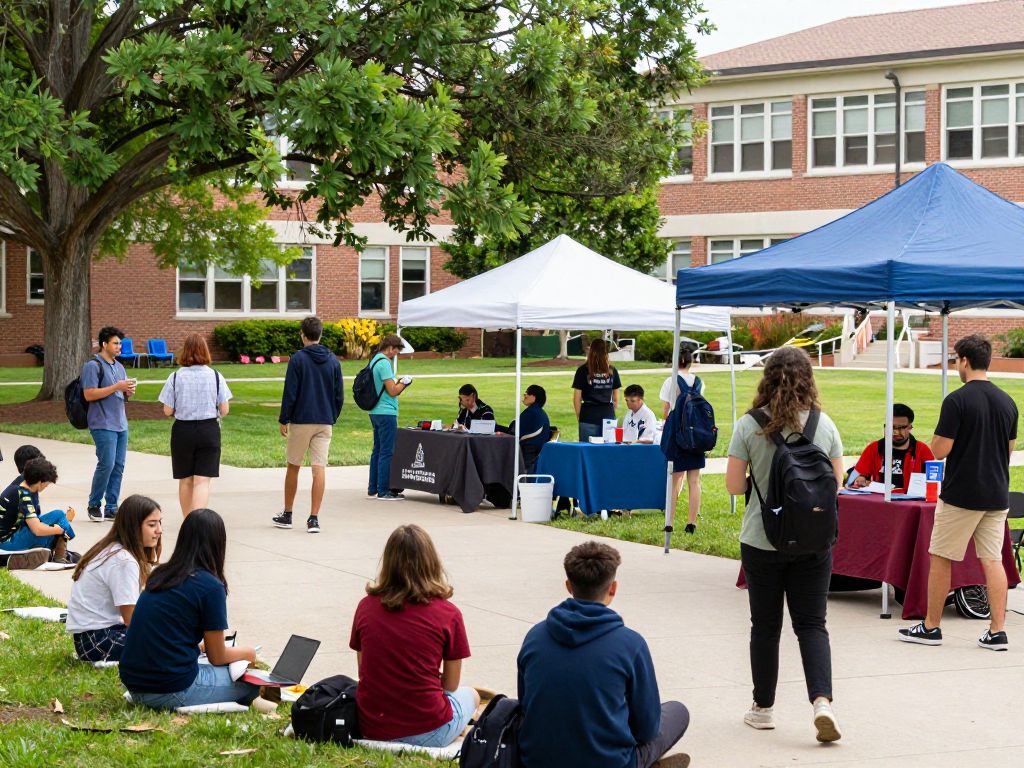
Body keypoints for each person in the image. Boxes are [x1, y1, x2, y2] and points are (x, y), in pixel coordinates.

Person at [724, 346, 844, 743]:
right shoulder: (824, 425)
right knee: (812, 624)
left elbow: (733, 486)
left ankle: (763, 708)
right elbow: (837, 482)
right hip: (813, 540)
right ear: (809, 379)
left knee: (765, 626)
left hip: (762, 539)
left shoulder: (750, 425)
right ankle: (822, 702)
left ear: (768, 378)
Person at [517, 541, 690, 768]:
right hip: (609, 762)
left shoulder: (535, 636)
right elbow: (647, 729)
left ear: (568, 586)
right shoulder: (631, 644)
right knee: (678, 711)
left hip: (536, 761)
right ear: (613, 588)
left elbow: (525, 706)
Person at [899, 335, 1018, 651]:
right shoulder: (1008, 402)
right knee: (993, 560)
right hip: (997, 494)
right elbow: (1009, 449)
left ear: (964, 360)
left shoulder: (956, 401)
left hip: (962, 494)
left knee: (941, 556)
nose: (955, 365)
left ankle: (931, 626)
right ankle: (997, 631)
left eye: (955, 359)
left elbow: (939, 450)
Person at [349, 524, 478, 747]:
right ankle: (458, 727)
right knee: (472, 695)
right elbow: (451, 685)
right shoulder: (449, 614)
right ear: (432, 562)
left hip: (372, 725)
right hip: (429, 730)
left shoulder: (365, 606)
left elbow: (364, 671)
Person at [119, 508, 261, 710]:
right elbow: (217, 657)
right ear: (219, 543)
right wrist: (248, 652)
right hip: (171, 689)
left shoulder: (161, 574)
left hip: (134, 684)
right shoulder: (211, 586)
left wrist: (199, 647)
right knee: (252, 685)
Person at [66, 495, 163, 663]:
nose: (159, 530)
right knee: (170, 648)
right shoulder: (123, 560)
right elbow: (131, 619)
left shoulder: (114, 548)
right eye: (152, 524)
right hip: (98, 640)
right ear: (133, 527)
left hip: (90, 638)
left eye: (160, 523)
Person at [273, 316, 344, 533]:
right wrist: (331, 415)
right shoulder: (333, 361)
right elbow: (339, 395)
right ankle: (314, 518)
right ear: (320, 334)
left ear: (302, 335)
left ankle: (288, 514)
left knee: (293, 465)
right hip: (324, 420)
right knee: (319, 468)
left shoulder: (298, 359)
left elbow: (290, 392)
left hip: (302, 419)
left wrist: (284, 418)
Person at [159, 334, 233, 516]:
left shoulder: (175, 377)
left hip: (183, 431)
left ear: (185, 352)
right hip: (209, 430)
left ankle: (187, 522)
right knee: (202, 480)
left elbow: (167, 410)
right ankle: (198, 523)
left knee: (185, 480)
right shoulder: (216, 376)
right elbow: (224, 409)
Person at [83, 326, 136, 522]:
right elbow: (89, 394)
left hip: (120, 423)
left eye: (120, 343)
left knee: (118, 466)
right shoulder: (93, 366)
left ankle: (112, 507)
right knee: (106, 464)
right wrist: (116, 387)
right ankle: (94, 505)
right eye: (115, 343)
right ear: (104, 344)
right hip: (102, 423)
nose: (119, 346)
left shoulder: (119, 366)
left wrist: (127, 392)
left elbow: (120, 394)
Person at [659, 346, 706, 534]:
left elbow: (666, 410)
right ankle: (691, 523)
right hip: (695, 434)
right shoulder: (699, 382)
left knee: (674, 479)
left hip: (677, 433)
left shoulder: (670, 381)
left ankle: (669, 522)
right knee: (694, 480)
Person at [0, 458, 77, 567]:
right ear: (40, 482)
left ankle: (60, 552)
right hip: (7, 543)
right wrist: (59, 530)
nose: (46, 486)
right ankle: (60, 556)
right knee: (58, 515)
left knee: (56, 521)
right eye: (47, 484)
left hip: (8, 537)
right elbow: (37, 529)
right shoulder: (24, 496)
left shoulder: (16, 488)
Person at [848, 403, 934, 493]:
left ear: (910, 427)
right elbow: (853, 477)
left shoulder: (922, 450)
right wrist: (860, 478)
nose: (896, 432)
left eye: (901, 428)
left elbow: (934, 481)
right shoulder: (874, 448)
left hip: (911, 500)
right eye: (892, 427)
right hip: (879, 499)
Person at [367, 334, 413, 501]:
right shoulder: (384, 363)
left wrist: (397, 382)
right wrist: (405, 383)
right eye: (396, 351)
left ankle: (373, 487)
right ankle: (384, 490)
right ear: (390, 348)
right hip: (386, 412)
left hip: (374, 411)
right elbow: (392, 391)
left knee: (377, 450)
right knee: (386, 451)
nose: (396, 354)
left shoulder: (374, 360)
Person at [572, 338, 621, 442]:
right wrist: (610, 412)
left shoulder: (582, 370)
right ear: (606, 352)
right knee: (607, 449)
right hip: (607, 415)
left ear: (591, 351)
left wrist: (580, 416)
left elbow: (577, 398)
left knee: (587, 449)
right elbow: (616, 399)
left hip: (588, 416)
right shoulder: (612, 371)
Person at [509, 384, 551, 474]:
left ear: (534, 397)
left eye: (527, 394)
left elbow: (514, 431)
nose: (524, 396)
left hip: (528, 453)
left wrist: (496, 428)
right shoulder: (538, 412)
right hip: (534, 451)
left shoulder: (531, 412)